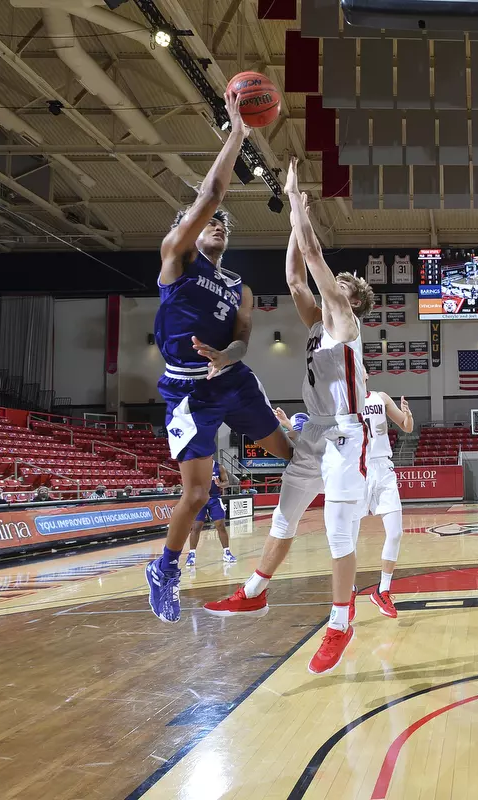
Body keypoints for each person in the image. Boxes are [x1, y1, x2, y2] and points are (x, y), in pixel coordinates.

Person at [204, 158, 376, 677]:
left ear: (350, 301)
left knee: (338, 533)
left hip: (347, 434)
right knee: (284, 516)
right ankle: (254, 592)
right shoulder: (316, 324)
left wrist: (298, 198)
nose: (333, 286)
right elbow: (295, 273)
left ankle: (341, 623)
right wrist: (290, 220)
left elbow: (314, 256)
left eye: (341, 284)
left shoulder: (344, 320)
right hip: (315, 434)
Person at [145, 87, 293, 623]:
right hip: (186, 392)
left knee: (292, 457)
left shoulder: (240, 287)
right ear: (183, 230)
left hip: (230, 380)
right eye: (209, 220)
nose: (218, 222)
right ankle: (165, 568)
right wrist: (237, 134)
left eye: (224, 222)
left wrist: (226, 355)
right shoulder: (176, 260)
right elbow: (210, 192)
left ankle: (310, 431)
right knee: (197, 492)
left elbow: (243, 339)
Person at [360, 380, 414, 618]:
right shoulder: (344, 400)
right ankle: (347, 593)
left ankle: (383, 590)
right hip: (357, 470)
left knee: (395, 533)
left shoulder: (380, 397)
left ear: (366, 374)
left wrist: (408, 415)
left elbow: (406, 427)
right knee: (348, 536)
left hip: (383, 468)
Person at [185, 461, 234, 567]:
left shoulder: (219, 467)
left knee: (220, 526)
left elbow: (226, 482)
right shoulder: (196, 467)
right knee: (196, 527)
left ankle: (227, 552)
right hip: (200, 500)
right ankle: (191, 554)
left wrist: (220, 484)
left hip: (214, 499)